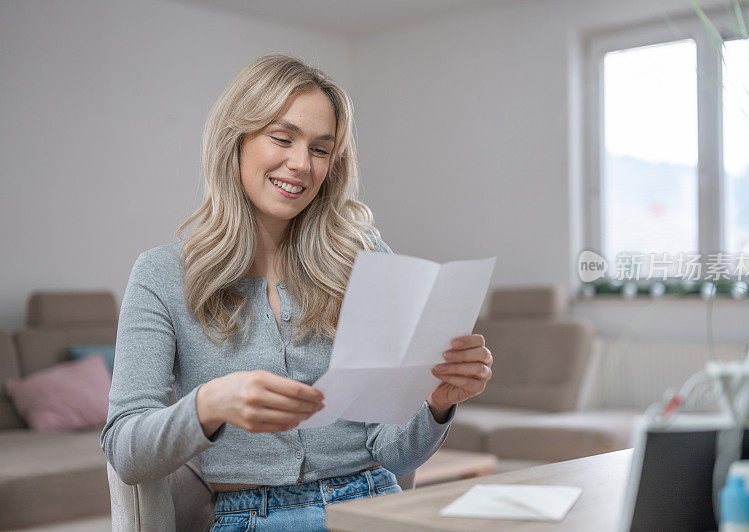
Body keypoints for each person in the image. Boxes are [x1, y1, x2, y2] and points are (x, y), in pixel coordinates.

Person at [100, 53, 494, 531]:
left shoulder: (364, 260)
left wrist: (437, 402)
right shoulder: (162, 275)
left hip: (374, 503)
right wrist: (210, 404)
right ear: (236, 141)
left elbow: (393, 453)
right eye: (282, 139)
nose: (301, 165)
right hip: (253, 517)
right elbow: (126, 450)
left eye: (321, 150)